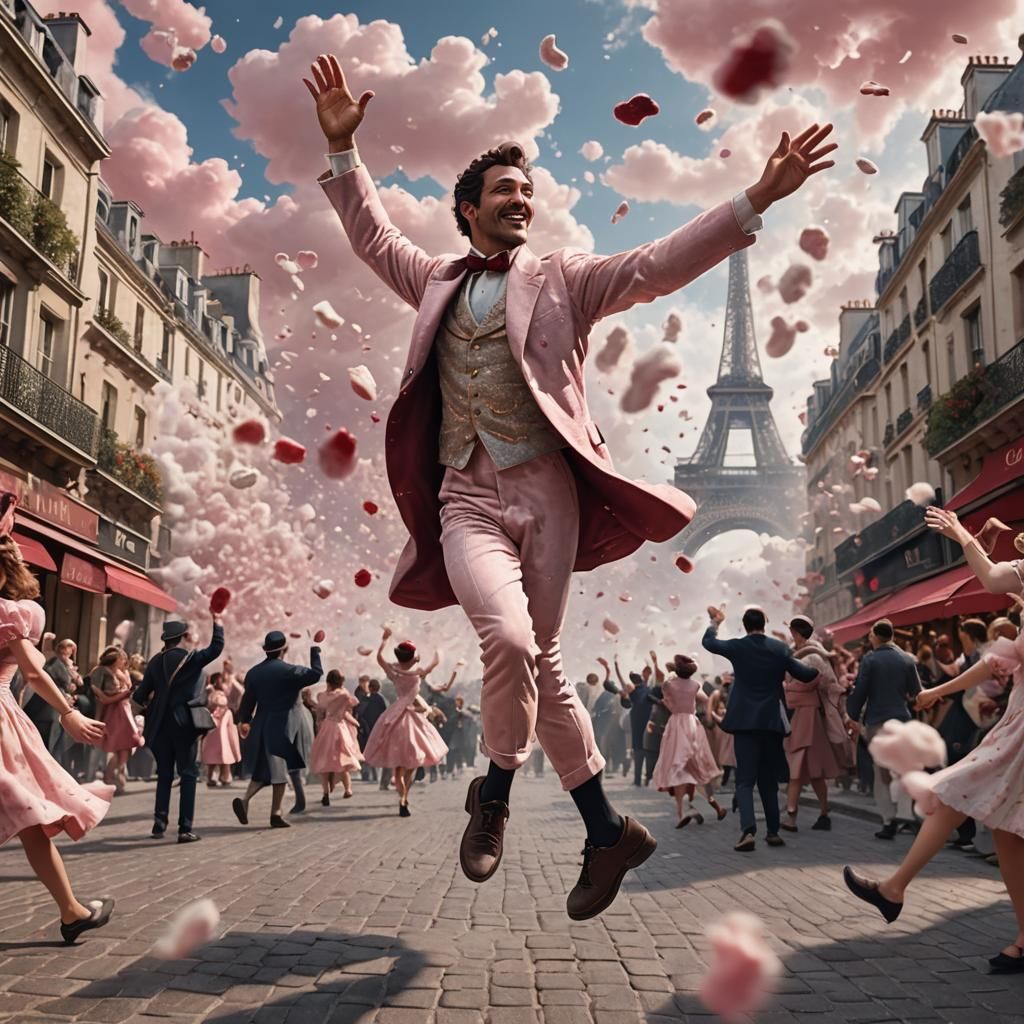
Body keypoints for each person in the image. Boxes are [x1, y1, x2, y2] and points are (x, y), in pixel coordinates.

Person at [305, 52, 834, 919]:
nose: (523, 199)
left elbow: (658, 263)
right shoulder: (434, 279)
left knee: (541, 661)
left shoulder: (565, 280)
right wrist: (342, 153)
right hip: (466, 497)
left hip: (548, 490)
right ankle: (501, 798)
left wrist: (757, 199)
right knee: (510, 640)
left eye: (529, 191)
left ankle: (602, 832)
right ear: (470, 209)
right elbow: (371, 235)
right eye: (505, 190)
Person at [844, 506, 1024, 973]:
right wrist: (935, 691)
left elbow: (989, 578)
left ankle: (894, 889)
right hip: (1016, 722)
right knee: (1004, 829)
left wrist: (961, 531)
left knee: (954, 792)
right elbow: (998, 661)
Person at [0, 493, 115, 943]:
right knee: (28, 816)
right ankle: (70, 911)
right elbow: (31, 668)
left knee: (28, 815)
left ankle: (71, 909)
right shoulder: (10, 614)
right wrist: (67, 712)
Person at [702, 605, 819, 853]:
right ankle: (773, 831)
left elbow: (709, 642)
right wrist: (819, 662)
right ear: (764, 624)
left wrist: (715, 622)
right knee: (768, 781)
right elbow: (806, 675)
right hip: (771, 723)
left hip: (744, 723)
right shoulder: (779, 648)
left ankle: (748, 831)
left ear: (745, 625)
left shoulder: (737, 647)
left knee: (744, 780)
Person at [135, 614, 225, 843]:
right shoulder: (190, 659)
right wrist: (218, 623)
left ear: (166, 638)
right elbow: (216, 648)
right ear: (183, 637)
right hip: (184, 723)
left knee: (164, 774)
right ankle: (185, 828)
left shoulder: (155, 661)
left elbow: (140, 695)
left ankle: (159, 823)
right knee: (188, 774)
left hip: (160, 724)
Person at [232, 632, 322, 828]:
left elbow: (248, 702)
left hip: (261, 722)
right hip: (284, 723)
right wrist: (315, 651)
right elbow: (316, 674)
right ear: (285, 649)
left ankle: (246, 799)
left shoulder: (254, 673)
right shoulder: (290, 671)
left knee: (264, 769)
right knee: (279, 769)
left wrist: (244, 721)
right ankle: (275, 813)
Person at [846, 618, 922, 840]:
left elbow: (861, 691)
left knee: (882, 773)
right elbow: (916, 692)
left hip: (878, 720)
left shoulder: (870, 660)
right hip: (902, 719)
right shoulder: (907, 659)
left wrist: (851, 713)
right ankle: (907, 814)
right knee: (904, 768)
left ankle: (888, 820)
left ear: (875, 636)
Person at [781, 616, 855, 833]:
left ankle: (792, 815)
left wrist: (791, 688)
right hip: (808, 716)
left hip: (806, 715)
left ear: (796, 632)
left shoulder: (811, 656)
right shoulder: (816, 654)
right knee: (814, 771)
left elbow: (824, 685)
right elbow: (831, 685)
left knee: (801, 767)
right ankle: (821, 812)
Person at [364, 628, 448, 817]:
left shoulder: (395, 673)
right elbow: (435, 662)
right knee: (411, 762)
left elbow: (379, 658)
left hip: (395, 714)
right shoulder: (417, 673)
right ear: (412, 656)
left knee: (398, 767)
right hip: (411, 716)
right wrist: (435, 643)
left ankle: (402, 796)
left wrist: (384, 640)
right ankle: (404, 797)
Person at [651, 654, 725, 826]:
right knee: (697, 765)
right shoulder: (695, 685)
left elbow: (667, 700)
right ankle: (711, 805)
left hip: (676, 724)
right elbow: (705, 699)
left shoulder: (669, 685)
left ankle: (683, 810)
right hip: (692, 724)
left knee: (677, 767)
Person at [91, 646, 143, 795]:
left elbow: (128, 691)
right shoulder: (104, 672)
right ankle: (112, 776)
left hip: (125, 710)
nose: (124, 661)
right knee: (119, 744)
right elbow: (104, 698)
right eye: (121, 658)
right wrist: (124, 693)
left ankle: (118, 774)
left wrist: (126, 692)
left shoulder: (124, 672)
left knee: (128, 744)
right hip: (115, 711)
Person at [309, 670, 363, 804]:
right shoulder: (343, 695)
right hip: (340, 726)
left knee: (324, 760)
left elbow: (320, 707)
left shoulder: (323, 696)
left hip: (327, 727)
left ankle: (325, 793)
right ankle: (348, 789)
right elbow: (352, 703)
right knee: (343, 759)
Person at [23, 637, 79, 757]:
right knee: (45, 746)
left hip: (57, 709)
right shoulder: (54, 662)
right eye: (68, 649)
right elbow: (50, 681)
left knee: (55, 746)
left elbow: (74, 683)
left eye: (72, 650)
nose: (70, 652)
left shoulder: (67, 665)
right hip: (46, 708)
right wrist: (64, 695)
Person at [201, 672, 241, 787]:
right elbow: (214, 702)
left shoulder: (223, 691)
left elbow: (238, 692)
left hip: (224, 722)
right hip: (214, 722)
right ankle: (212, 776)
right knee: (214, 750)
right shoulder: (210, 691)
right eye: (219, 680)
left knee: (226, 749)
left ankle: (224, 775)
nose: (221, 682)